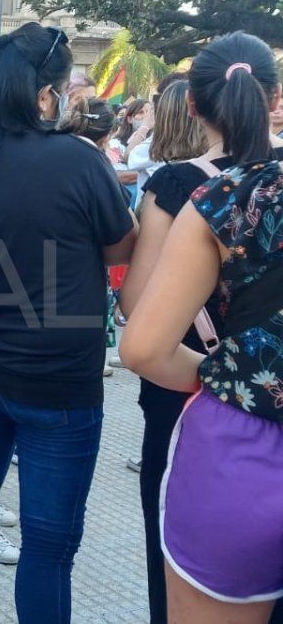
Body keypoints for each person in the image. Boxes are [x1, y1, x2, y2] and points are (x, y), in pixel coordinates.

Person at [0, 23, 137, 624]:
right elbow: (120, 248)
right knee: (49, 543)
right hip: (58, 383)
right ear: (44, 96)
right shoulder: (78, 161)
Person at [121, 32, 283, 624]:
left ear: (193, 105)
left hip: (240, 450)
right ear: (274, 97)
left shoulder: (218, 198)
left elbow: (140, 341)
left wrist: (225, 378)